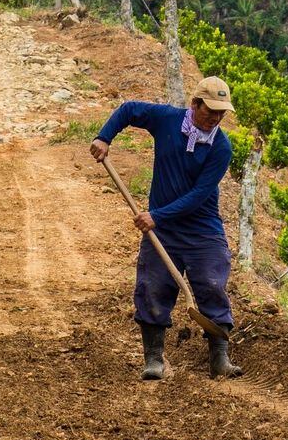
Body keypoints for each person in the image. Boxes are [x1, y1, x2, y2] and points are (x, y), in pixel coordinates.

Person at [90, 77, 242, 381]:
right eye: (210, 111)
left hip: (202, 229)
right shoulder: (167, 120)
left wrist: (157, 215)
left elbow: (199, 195)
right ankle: (154, 359)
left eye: (221, 113)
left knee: (212, 285)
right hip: (163, 231)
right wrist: (104, 137)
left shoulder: (221, 148)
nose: (215, 118)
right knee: (152, 287)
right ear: (195, 104)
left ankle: (219, 360)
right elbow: (129, 109)